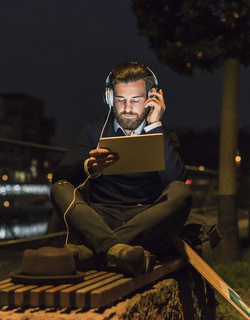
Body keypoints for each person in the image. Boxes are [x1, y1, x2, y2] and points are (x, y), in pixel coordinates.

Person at [50, 61, 192, 275]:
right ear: (109, 99)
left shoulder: (163, 132)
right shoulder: (94, 130)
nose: (127, 108)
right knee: (59, 188)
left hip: (146, 219)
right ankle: (117, 250)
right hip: (100, 218)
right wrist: (89, 167)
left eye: (135, 100)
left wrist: (155, 125)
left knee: (182, 192)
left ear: (151, 99)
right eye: (120, 100)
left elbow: (176, 180)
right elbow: (60, 176)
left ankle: (98, 251)